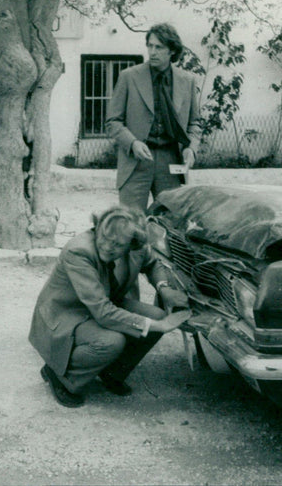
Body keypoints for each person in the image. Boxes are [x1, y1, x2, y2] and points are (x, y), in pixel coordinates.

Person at [29, 205, 191, 408]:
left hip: (104, 302)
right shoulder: (79, 251)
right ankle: (61, 375)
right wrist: (162, 326)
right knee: (111, 342)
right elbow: (103, 312)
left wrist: (164, 288)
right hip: (67, 313)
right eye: (104, 238)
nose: (107, 246)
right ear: (98, 228)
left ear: (132, 243)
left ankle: (111, 372)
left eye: (117, 244)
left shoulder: (137, 245)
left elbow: (153, 264)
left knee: (156, 316)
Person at [106, 23, 202, 210]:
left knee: (169, 225)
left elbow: (194, 123)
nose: (153, 52)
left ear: (172, 51)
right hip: (136, 162)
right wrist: (132, 143)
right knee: (130, 226)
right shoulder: (129, 77)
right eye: (150, 46)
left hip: (170, 163)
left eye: (159, 47)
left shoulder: (187, 81)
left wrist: (191, 148)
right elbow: (112, 121)